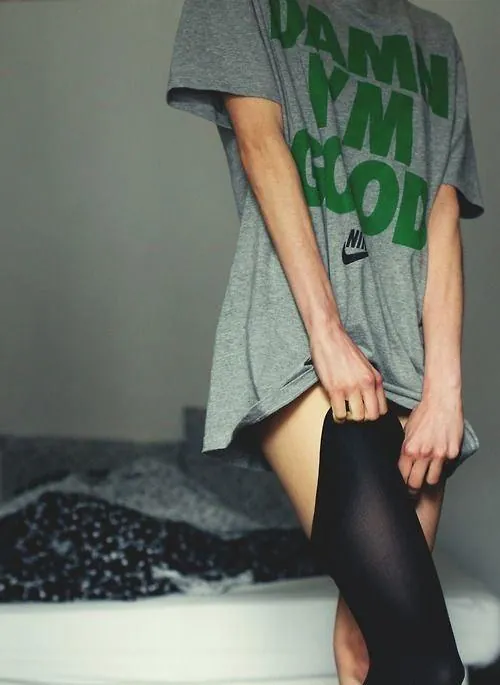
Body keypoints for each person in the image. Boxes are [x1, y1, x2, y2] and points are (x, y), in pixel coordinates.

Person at [167, 0, 485, 683]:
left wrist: (445, 389)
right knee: (427, 663)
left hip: (411, 363)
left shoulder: (433, 38)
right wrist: (328, 335)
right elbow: (261, 144)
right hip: (305, 341)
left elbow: (442, 210)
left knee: (367, 650)